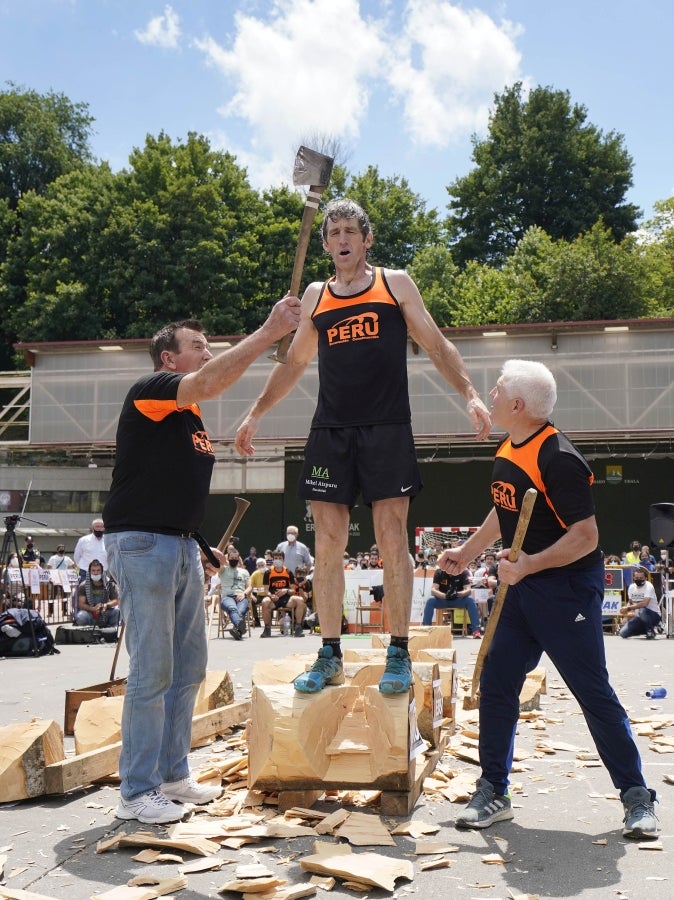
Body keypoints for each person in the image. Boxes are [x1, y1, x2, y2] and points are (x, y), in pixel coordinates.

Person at [235, 198, 490, 695]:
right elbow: (292, 364)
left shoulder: (394, 284)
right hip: (331, 431)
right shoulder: (314, 296)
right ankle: (328, 652)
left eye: (352, 230)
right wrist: (256, 412)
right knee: (328, 543)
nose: (344, 239)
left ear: (367, 239)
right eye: (335, 233)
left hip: (386, 427)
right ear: (326, 243)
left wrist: (471, 394)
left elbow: (437, 344)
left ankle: (398, 651)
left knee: (392, 537)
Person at [439, 359, 657, 839]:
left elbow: (585, 536)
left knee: (592, 693)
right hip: (522, 588)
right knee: (497, 686)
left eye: (497, 389)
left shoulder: (559, 458)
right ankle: (493, 790)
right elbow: (505, 510)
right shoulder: (509, 446)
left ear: (518, 404)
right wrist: (468, 551)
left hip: (567, 591)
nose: (490, 393)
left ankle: (637, 797)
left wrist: (530, 565)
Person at [102, 300, 300, 826]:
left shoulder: (188, 415)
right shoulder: (151, 392)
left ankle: (170, 775)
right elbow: (212, 381)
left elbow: (172, 487)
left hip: (179, 543)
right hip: (142, 544)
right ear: (168, 359)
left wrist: (203, 542)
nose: (207, 351)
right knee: (153, 671)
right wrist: (268, 333)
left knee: (187, 668)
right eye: (198, 346)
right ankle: (136, 790)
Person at [421, 564, 481, 636]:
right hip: (443, 599)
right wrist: (445, 596)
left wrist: (457, 594)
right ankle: (426, 628)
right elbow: (433, 590)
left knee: (470, 600)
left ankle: (476, 630)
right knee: (431, 600)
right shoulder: (439, 572)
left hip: (457, 599)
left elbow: (468, 590)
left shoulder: (463, 572)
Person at [259, 550, 306, 637]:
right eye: (276, 558)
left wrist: (286, 590)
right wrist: (271, 595)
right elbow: (266, 590)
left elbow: (293, 590)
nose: (278, 560)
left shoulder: (288, 572)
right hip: (274, 598)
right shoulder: (268, 572)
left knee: (300, 600)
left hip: (286, 599)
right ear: (273, 559)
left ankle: (298, 627)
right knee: (265, 601)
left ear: (283, 560)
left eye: (280, 558)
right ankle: (267, 629)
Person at [219, 545, 252, 640]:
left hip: (241, 596)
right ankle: (240, 626)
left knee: (240, 611)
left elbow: (249, 586)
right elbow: (218, 561)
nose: (234, 559)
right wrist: (224, 558)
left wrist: (244, 594)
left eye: (236, 558)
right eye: (231, 558)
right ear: (228, 558)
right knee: (233, 609)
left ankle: (237, 630)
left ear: (239, 558)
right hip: (227, 597)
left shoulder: (244, 572)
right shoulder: (223, 570)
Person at [74, 559, 120, 627]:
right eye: (93, 571)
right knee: (81, 617)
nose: (95, 573)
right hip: (89, 613)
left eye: (98, 570)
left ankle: (110, 633)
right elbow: (81, 604)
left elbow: (116, 600)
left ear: (102, 572)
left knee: (117, 612)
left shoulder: (109, 584)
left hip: (105, 612)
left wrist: (106, 605)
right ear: (89, 572)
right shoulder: (83, 585)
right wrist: (93, 609)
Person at [619, 566, 661, 639]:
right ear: (633, 578)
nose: (639, 580)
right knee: (623, 633)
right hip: (638, 617)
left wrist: (628, 608)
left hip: (653, 615)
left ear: (645, 578)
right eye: (637, 578)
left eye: (641, 578)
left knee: (642, 610)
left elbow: (644, 603)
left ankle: (650, 631)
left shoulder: (649, 586)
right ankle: (645, 630)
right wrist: (626, 614)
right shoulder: (631, 587)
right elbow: (630, 602)